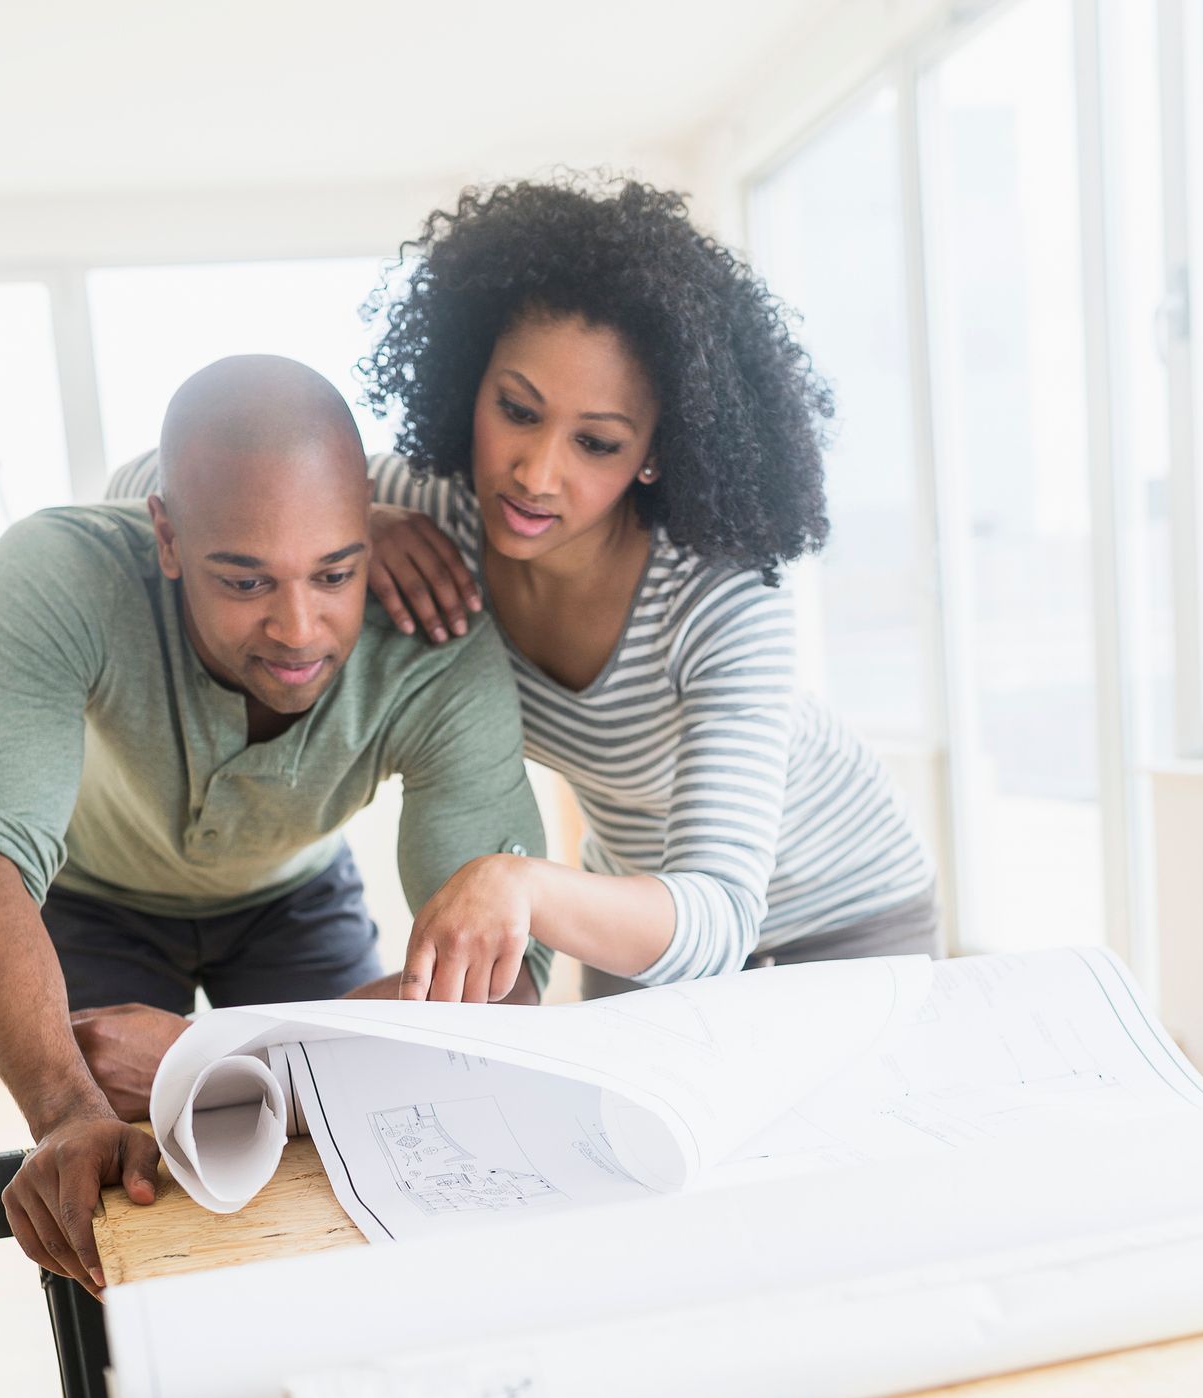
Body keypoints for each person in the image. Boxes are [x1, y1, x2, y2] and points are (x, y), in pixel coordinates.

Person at [0, 355, 548, 1293]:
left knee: (363, 1171)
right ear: (168, 539)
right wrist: (63, 1112)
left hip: (292, 899)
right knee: (106, 1203)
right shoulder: (59, 574)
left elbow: (510, 992)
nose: (299, 628)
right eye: (246, 582)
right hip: (94, 900)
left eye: (335, 572)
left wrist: (216, 1058)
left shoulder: (441, 648)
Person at [358, 177, 939, 996]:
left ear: (655, 454)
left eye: (596, 443)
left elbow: (721, 912)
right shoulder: (434, 510)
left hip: (839, 909)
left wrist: (519, 881)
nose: (535, 473)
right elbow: (154, 483)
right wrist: (348, 515)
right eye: (517, 410)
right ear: (470, 380)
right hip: (639, 912)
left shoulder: (720, 598)